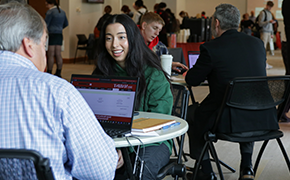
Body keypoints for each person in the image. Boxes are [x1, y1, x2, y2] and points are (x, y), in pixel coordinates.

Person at [0, 2, 118, 180]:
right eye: (44, 43)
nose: (45, 51)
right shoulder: (57, 92)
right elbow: (100, 172)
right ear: (28, 45)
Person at [185, 4, 279, 180]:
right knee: (245, 103)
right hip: (263, 117)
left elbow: (192, 80)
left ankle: (206, 171)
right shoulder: (257, 44)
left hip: (227, 120)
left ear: (217, 23)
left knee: (191, 113)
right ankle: (247, 169)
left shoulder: (211, 48)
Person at [93, 14, 173, 180]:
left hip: (152, 141)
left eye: (122, 37)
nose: (115, 44)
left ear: (133, 38)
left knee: (140, 170)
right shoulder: (102, 72)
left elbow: (158, 121)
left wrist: (123, 147)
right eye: (109, 38)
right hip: (112, 141)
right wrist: (113, 146)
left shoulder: (152, 74)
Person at [45, 0, 68, 77]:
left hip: (52, 34)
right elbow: (66, 23)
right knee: (58, 54)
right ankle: (58, 72)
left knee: (50, 54)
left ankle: (49, 71)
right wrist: (59, 28)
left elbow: (46, 24)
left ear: (50, 4)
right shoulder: (62, 12)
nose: (46, 6)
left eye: (46, 4)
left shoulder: (50, 12)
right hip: (59, 34)